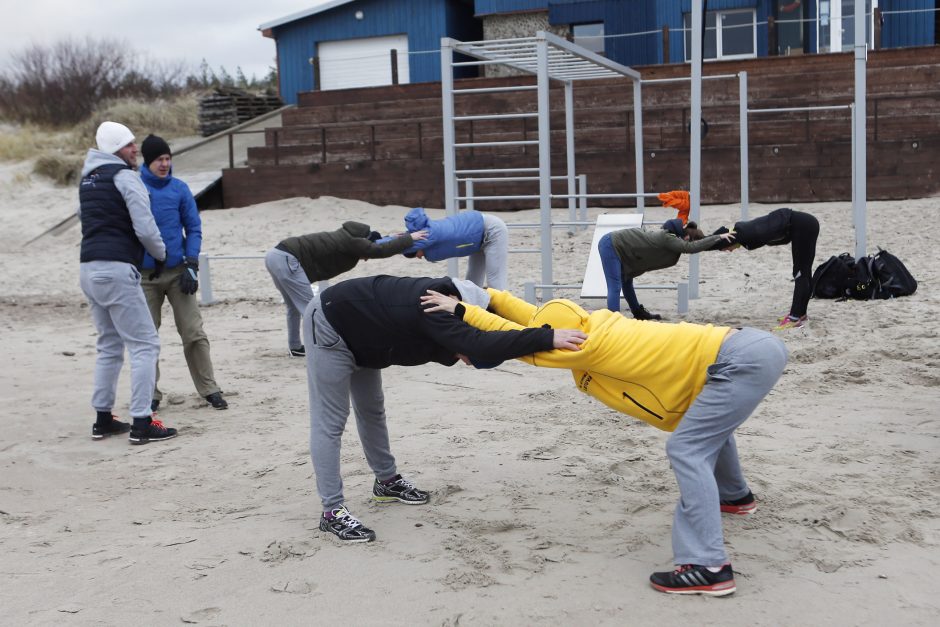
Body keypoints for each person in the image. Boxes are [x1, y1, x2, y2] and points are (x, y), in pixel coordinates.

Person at [421, 286, 788, 596]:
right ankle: (736, 497)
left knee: (687, 448)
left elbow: (519, 342)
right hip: (749, 347)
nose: (549, 337)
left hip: (739, 361)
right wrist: (490, 295)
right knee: (701, 430)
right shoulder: (592, 323)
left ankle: (708, 566)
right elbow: (533, 317)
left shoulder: (591, 345)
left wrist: (461, 308)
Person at [303, 275, 586, 543]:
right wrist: (546, 338)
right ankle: (332, 512)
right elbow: (481, 343)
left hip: (364, 333)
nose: (466, 361)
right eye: (468, 357)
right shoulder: (436, 309)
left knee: (371, 410)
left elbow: (491, 330)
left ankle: (386, 482)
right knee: (331, 422)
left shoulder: (459, 303)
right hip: (331, 326)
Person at [78, 121, 178, 445]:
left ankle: (103, 418)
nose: (135, 149)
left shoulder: (87, 180)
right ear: (114, 150)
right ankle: (141, 422)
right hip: (117, 270)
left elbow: (88, 221)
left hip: (88, 269)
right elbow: (145, 228)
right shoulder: (125, 177)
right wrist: (160, 254)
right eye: (129, 145)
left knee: (108, 345)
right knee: (145, 345)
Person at [138, 134, 227, 411]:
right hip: (144, 277)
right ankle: (150, 394)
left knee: (194, 332)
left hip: (179, 273)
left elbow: (194, 228)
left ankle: (209, 388)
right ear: (147, 161)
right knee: (146, 338)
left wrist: (191, 263)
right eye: (158, 160)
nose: (164, 164)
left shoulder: (180, 189)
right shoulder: (134, 188)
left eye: (167, 158)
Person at [265, 224, 427, 357]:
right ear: (364, 241)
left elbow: (377, 245)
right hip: (288, 259)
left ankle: (295, 347)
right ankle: (320, 347)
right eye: (366, 249)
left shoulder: (345, 237)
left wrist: (394, 237)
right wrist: (409, 239)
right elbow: (379, 250)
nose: (366, 256)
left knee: (293, 307)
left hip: (275, 256)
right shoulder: (352, 241)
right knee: (310, 309)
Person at [599, 218, 735, 319]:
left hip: (623, 249)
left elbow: (693, 245)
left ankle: (638, 313)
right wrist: (718, 237)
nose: (687, 240)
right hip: (611, 244)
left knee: (627, 283)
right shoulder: (667, 237)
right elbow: (690, 248)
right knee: (615, 286)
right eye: (689, 238)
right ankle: (613, 322)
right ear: (685, 235)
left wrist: (717, 242)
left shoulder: (672, 240)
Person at [711, 207, 820, 330]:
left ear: (729, 242)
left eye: (725, 248)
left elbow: (775, 224)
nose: (728, 251)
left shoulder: (744, 234)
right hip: (804, 225)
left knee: (800, 273)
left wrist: (693, 245)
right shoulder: (744, 235)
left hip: (804, 226)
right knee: (804, 272)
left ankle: (794, 318)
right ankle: (801, 314)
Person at [393, 207, 510, 290]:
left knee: (496, 283)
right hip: (477, 238)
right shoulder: (425, 234)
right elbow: (404, 242)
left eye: (415, 254)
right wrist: (391, 240)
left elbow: (404, 245)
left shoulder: (429, 235)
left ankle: (504, 319)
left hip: (492, 231)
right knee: (472, 283)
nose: (418, 257)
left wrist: (380, 245)